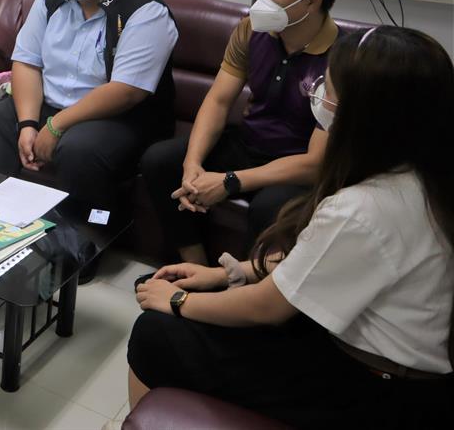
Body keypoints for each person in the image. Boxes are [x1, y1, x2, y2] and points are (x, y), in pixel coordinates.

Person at [128, 26, 454, 428]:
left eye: (329, 90)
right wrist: (227, 273)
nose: (318, 96)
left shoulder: (364, 207)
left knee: (155, 333)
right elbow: (329, 261)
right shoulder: (424, 176)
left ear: (365, 114)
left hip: (377, 386)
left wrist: (178, 301)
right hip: (387, 357)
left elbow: (267, 307)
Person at [140, 0, 341, 265]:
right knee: (161, 161)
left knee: (270, 207)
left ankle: (241, 286)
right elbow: (219, 101)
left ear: (312, 1)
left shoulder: (343, 60)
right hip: (248, 144)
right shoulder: (251, 30)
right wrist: (193, 163)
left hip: (296, 165)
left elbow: (315, 162)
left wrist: (231, 181)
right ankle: (194, 268)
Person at [0, 0, 178, 220]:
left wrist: (56, 125)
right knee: (4, 117)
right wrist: (29, 124)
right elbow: (27, 62)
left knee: (78, 148)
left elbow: (125, 92)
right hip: (54, 107)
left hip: (118, 118)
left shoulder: (145, 11)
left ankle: (83, 237)